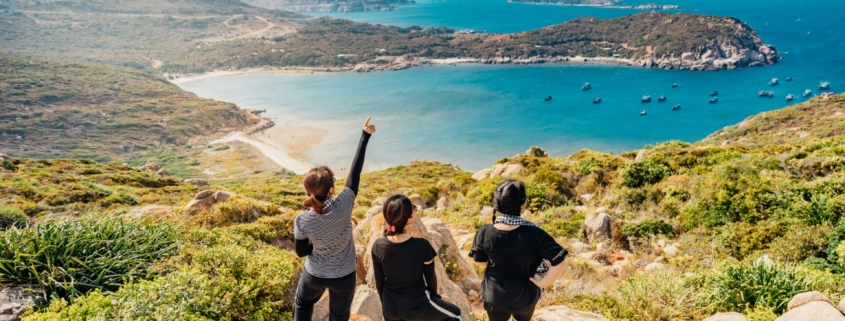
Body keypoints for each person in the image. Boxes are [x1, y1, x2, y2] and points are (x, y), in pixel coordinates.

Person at [293, 117, 376, 321]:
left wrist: (319, 248)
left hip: (315, 275)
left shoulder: (302, 220)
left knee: (303, 303)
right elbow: (354, 174)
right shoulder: (344, 206)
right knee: (339, 316)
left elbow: (301, 252)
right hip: (344, 276)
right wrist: (364, 136)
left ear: (307, 191)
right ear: (331, 190)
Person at [469, 179, 568, 321]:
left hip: (494, 296)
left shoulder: (484, 232)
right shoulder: (536, 234)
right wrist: (542, 283)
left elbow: (479, 261)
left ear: (496, 204)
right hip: (524, 297)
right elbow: (561, 263)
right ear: (523, 205)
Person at [371, 194, 462, 321]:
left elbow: (379, 281)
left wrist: (386, 307)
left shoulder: (378, 246)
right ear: (410, 217)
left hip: (390, 308)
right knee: (456, 314)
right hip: (417, 306)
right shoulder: (422, 245)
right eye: (413, 208)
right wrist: (435, 297)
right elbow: (430, 276)